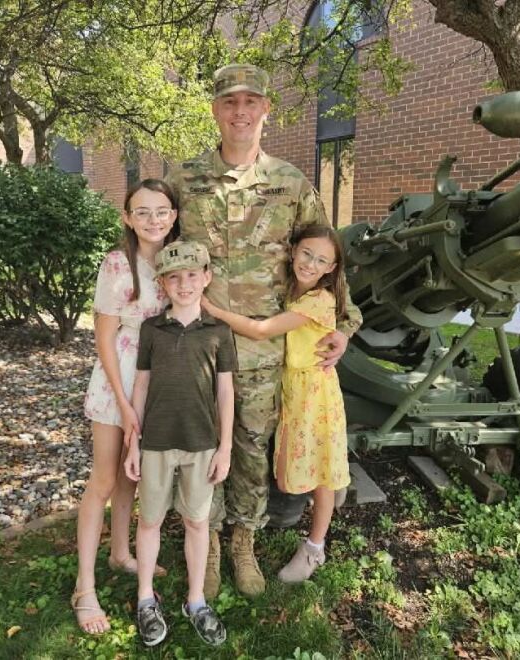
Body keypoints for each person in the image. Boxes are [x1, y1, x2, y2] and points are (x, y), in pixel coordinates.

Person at [166, 63, 362, 597]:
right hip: (197, 344)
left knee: (251, 448)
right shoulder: (185, 180)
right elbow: (153, 248)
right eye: (230, 102)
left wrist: (343, 324)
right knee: (202, 448)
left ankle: (242, 544)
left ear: (266, 110)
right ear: (215, 110)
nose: (240, 112)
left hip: (261, 352)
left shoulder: (291, 182)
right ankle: (203, 545)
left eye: (251, 102)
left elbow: (327, 256)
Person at [202, 224, 350, 582]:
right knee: (305, 466)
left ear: (332, 268)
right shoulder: (292, 290)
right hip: (293, 391)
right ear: (293, 250)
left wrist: (209, 308)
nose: (311, 264)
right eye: (307, 254)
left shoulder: (319, 299)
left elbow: (262, 330)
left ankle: (315, 548)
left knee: (322, 473)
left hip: (314, 396)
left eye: (322, 261)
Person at [71, 179, 178, 634]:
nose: (154, 220)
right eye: (143, 211)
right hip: (120, 380)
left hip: (159, 382)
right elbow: (104, 339)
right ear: (127, 218)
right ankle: (84, 586)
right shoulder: (118, 263)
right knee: (104, 478)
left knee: (130, 478)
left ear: (173, 214)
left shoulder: (179, 259)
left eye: (162, 210)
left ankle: (120, 553)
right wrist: (122, 400)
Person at [123, 240, 236, 647]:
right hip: (155, 441)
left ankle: (196, 600)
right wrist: (132, 441)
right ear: (164, 283)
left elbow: (226, 392)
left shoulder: (218, 332)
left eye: (192, 275)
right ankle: (145, 598)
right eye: (174, 277)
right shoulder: (152, 329)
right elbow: (141, 383)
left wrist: (225, 447)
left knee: (196, 522)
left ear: (206, 278)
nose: (184, 284)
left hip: (202, 442)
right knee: (150, 520)